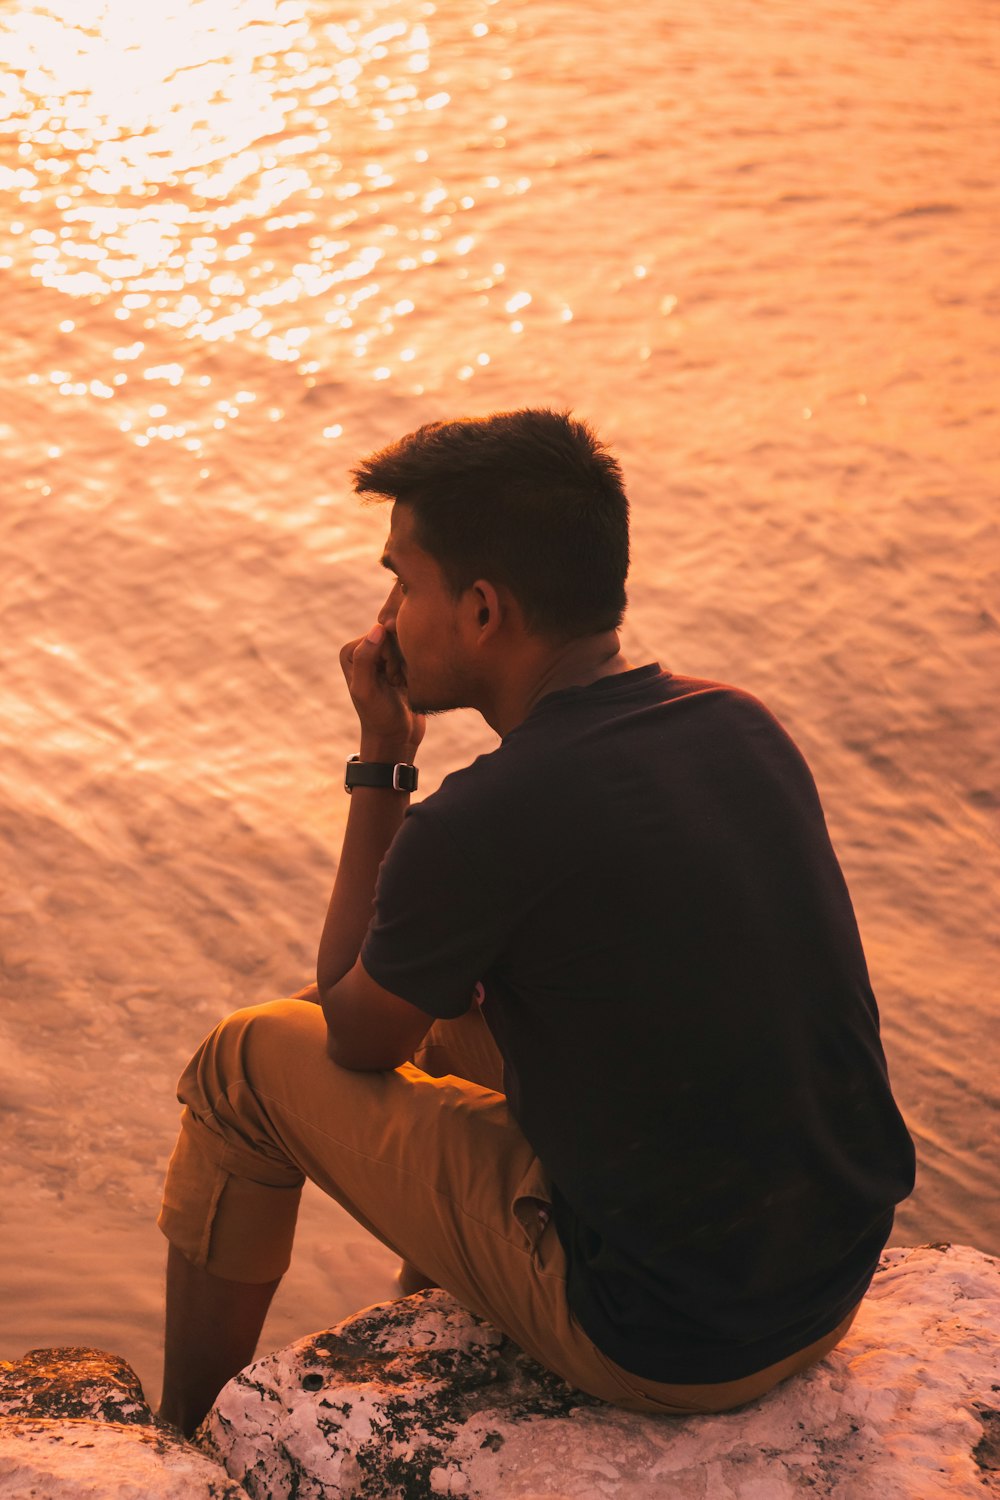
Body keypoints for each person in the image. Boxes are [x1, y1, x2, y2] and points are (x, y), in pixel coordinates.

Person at [157, 408, 915, 1436]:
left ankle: (185, 1441)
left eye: (401, 582)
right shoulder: (738, 724)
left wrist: (383, 761)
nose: (383, 619)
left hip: (666, 1341)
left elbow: (352, 1033)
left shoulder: (487, 818)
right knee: (434, 1011)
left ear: (478, 610)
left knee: (247, 1060)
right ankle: (415, 1323)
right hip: (820, 1287)